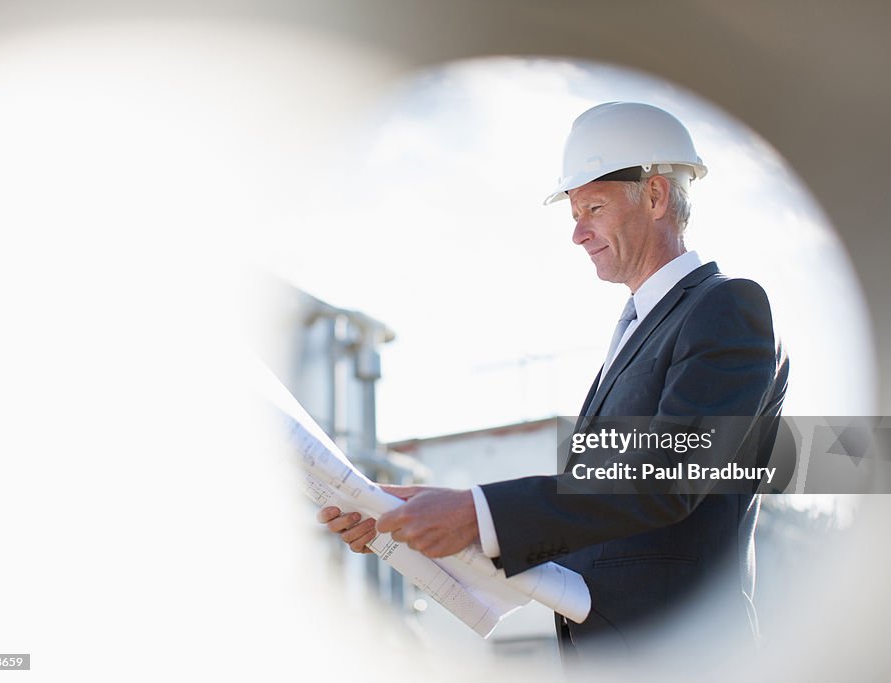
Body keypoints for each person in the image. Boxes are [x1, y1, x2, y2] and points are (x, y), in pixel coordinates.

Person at [317, 102, 788, 668]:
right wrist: (406, 528)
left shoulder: (726, 307)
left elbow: (668, 476)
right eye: (573, 212)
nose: (577, 233)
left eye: (592, 207)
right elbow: (594, 522)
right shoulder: (637, 335)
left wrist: (477, 512)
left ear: (657, 197)